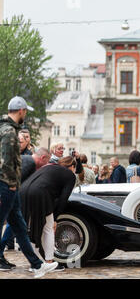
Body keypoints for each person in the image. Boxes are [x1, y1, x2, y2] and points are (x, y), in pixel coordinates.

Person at [0, 96, 58, 277]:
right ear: (21, 111)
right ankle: (37, 264)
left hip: (10, 185)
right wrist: (9, 185)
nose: (25, 114)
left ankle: (37, 265)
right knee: (16, 226)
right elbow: (6, 160)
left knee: (19, 226)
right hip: (7, 185)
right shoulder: (9, 131)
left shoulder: (6, 128)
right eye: (25, 111)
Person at [20, 156, 77, 272]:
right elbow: (63, 199)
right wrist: (56, 218)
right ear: (72, 167)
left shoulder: (49, 167)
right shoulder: (70, 175)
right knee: (48, 228)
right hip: (40, 193)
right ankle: (48, 262)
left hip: (23, 191)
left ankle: (34, 264)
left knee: (31, 229)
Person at [0, 148, 51, 259]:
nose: (45, 165)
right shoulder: (30, 163)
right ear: (42, 158)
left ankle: (34, 262)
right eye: (46, 162)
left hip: (11, 198)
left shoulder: (27, 160)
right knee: (16, 228)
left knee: (17, 228)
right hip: (8, 197)